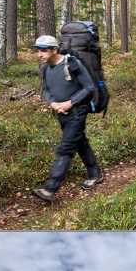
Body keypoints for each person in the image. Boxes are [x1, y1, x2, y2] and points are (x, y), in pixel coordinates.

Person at [32, 35, 103, 203]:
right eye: (38, 50)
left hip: (78, 111)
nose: (39, 54)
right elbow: (46, 90)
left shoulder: (71, 64)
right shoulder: (46, 68)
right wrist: (53, 103)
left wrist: (69, 103)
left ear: (54, 50)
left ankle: (50, 188)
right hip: (61, 113)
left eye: (43, 50)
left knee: (66, 148)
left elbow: (88, 88)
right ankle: (95, 174)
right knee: (80, 142)